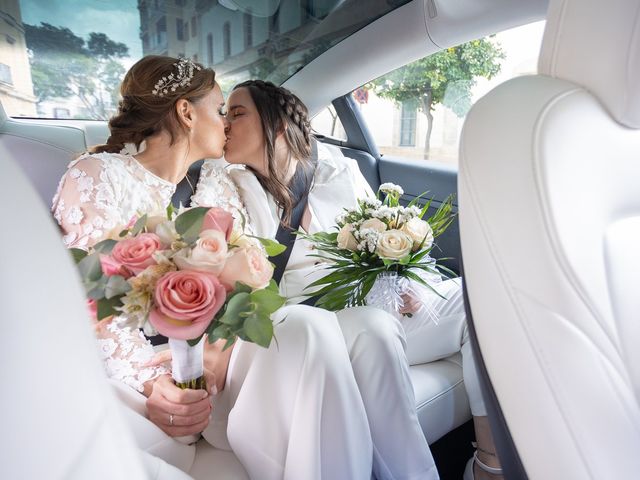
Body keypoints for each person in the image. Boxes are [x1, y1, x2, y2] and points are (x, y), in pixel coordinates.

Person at [52, 56, 373, 480]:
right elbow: (94, 302)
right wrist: (152, 383)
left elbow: (245, 284)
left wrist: (216, 351)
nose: (227, 123)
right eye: (220, 109)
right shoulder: (98, 174)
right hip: (139, 364)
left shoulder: (218, 185)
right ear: (186, 112)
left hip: (216, 362)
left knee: (308, 326)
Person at [195, 79, 504, 480]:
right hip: (318, 328)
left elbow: (388, 234)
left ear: (278, 126)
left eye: (237, 113)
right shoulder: (228, 186)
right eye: (224, 113)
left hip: (381, 304)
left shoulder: (339, 169)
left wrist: (405, 281)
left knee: (480, 297)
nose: (226, 124)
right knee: (373, 329)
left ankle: (490, 462)